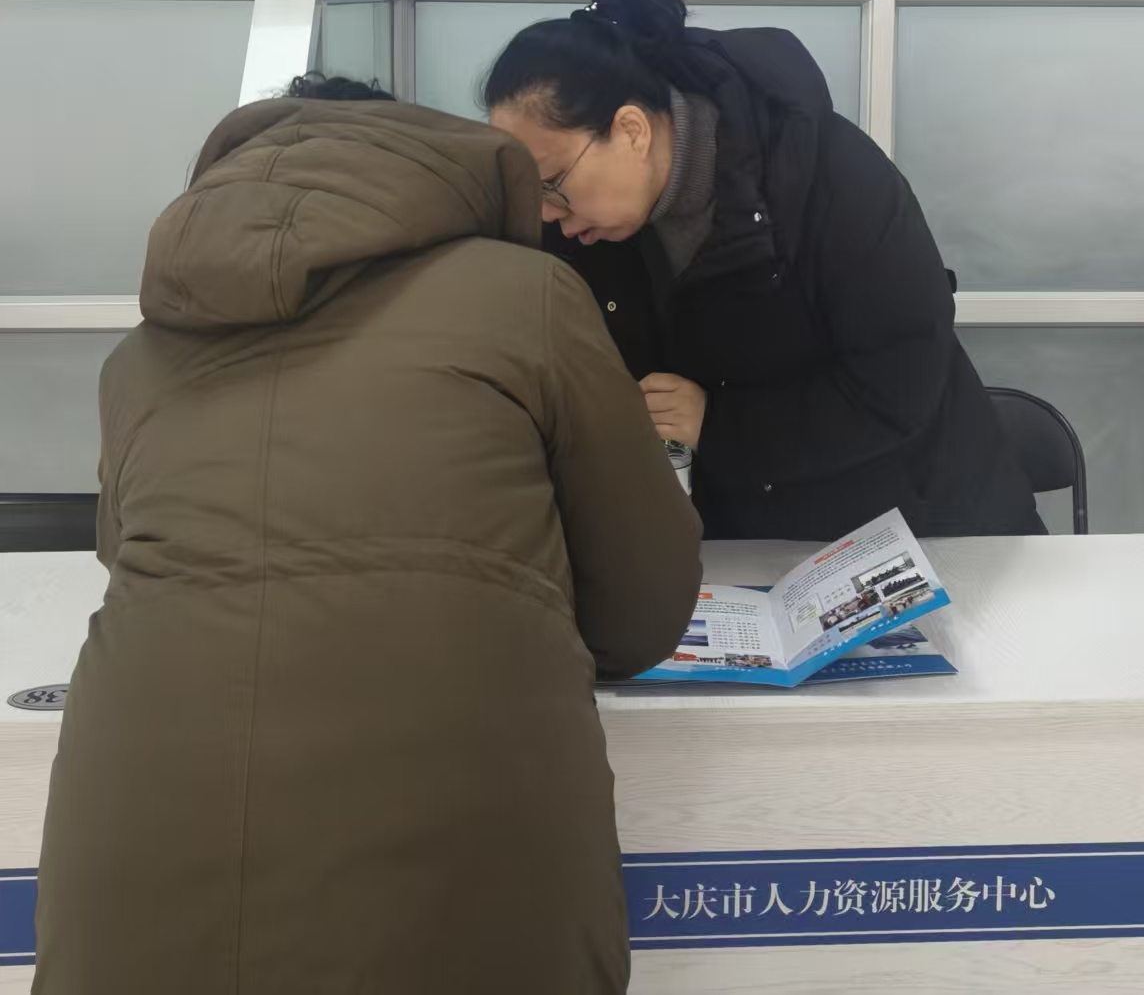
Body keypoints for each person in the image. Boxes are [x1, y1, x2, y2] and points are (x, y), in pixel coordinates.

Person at [34, 77, 702, 995]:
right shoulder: (530, 298)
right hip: (470, 870)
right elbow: (642, 609)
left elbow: (127, 555)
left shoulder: (139, 360)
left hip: (133, 865)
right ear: (426, 162)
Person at [486, 0, 1041, 543]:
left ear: (631, 131)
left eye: (552, 184)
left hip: (921, 527)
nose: (545, 213)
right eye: (529, 191)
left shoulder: (830, 178)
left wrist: (718, 425)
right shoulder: (588, 227)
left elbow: (898, 383)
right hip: (750, 539)